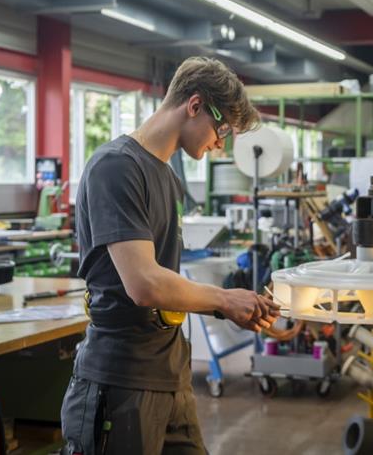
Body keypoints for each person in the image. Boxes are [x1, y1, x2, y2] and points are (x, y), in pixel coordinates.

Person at [61, 57, 279, 454]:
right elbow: (144, 284)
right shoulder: (116, 167)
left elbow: (167, 281)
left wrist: (230, 307)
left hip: (170, 374)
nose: (220, 143)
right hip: (121, 379)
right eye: (222, 129)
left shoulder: (168, 177)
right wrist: (225, 299)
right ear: (194, 106)